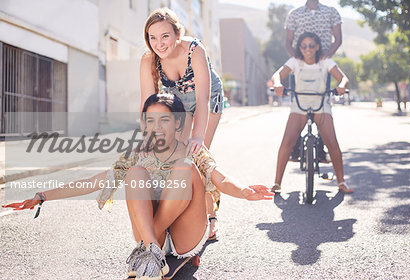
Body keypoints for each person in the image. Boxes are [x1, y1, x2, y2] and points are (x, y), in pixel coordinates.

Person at [3, 93, 274, 280]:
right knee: (134, 172)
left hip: (184, 234)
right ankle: (151, 252)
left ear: (178, 123)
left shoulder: (193, 149)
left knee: (185, 168)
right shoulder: (138, 152)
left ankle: (150, 251)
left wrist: (243, 191)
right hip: (148, 233)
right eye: (150, 120)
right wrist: (42, 196)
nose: (156, 127)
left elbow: (220, 178)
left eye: (164, 120)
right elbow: (94, 182)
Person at [140, 7, 224, 240]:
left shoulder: (195, 50)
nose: (159, 43)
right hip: (179, 104)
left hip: (208, 98)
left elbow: (203, 98)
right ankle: (175, 213)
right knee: (176, 156)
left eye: (165, 36)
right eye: (152, 37)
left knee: (197, 155)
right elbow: (147, 103)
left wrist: (198, 137)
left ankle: (210, 216)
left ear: (178, 34)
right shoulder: (149, 58)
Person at [270, 32, 354, 194]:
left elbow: (343, 77)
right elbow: (277, 75)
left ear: (317, 47)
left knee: (332, 142)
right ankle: (277, 183)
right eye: (304, 46)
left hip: (321, 104)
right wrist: (278, 84)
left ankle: (341, 182)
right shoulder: (295, 62)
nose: (307, 49)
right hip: (299, 105)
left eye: (311, 46)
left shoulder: (326, 61)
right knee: (287, 141)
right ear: (299, 48)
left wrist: (342, 85)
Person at [285, 0, 343, 162]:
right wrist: (296, 57)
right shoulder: (294, 14)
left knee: (323, 104)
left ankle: (321, 148)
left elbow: (338, 38)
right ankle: (295, 148)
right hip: (300, 67)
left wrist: (327, 55)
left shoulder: (332, 12)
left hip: (323, 66)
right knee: (297, 104)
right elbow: (288, 41)